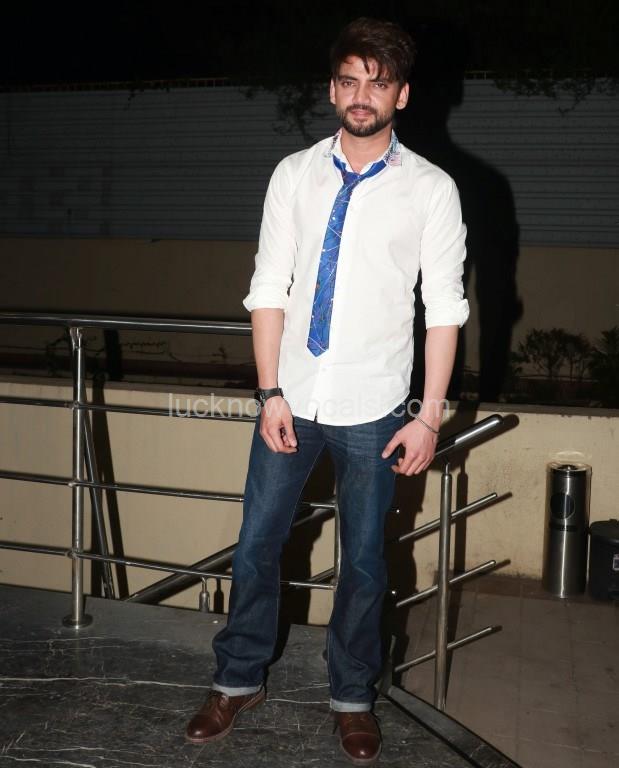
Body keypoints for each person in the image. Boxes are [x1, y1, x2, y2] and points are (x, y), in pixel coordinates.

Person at [185, 16, 469, 765]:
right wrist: (269, 391)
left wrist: (429, 417)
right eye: (349, 80)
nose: (361, 95)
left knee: (365, 560)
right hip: (292, 396)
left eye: (378, 82)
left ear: (402, 95)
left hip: (376, 405)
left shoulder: (431, 190)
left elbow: (444, 309)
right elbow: (267, 287)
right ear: (332, 89)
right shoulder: (294, 174)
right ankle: (237, 678)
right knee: (256, 544)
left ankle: (351, 696)